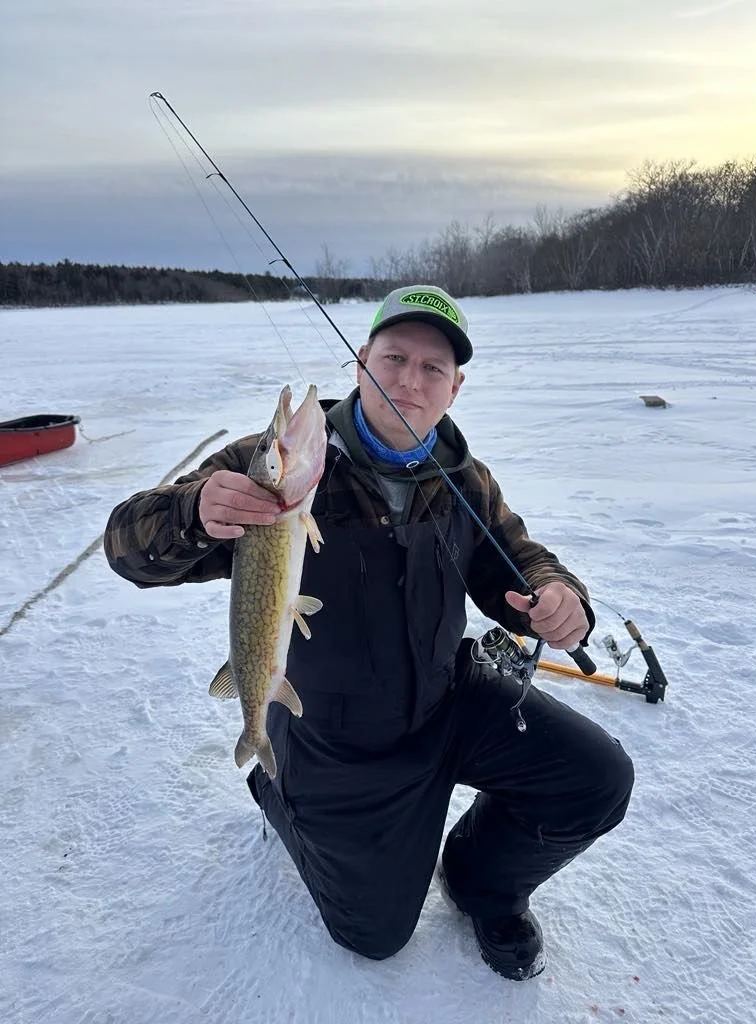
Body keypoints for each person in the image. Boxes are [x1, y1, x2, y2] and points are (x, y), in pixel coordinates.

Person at [104, 284, 634, 981]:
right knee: (374, 935)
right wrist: (191, 511)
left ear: (455, 387)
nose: (410, 382)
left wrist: (561, 599)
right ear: (361, 364)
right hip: (341, 735)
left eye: (432, 368)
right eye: (394, 359)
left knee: (596, 779)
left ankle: (483, 884)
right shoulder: (269, 468)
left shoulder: (464, 479)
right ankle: (278, 790)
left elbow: (517, 559)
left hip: (450, 695)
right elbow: (127, 549)